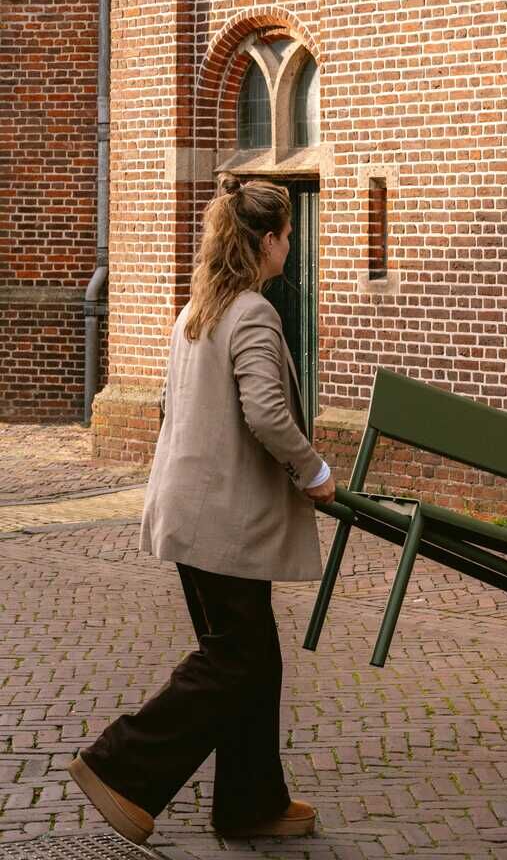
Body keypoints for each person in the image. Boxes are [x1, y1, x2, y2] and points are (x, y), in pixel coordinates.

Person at [68, 176, 337, 844]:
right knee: (234, 661)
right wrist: (314, 470)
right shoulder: (250, 313)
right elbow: (266, 412)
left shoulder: (194, 312)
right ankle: (120, 767)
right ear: (267, 240)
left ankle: (251, 804)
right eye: (287, 236)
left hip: (192, 517)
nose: (290, 247)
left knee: (251, 658)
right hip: (225, 524)